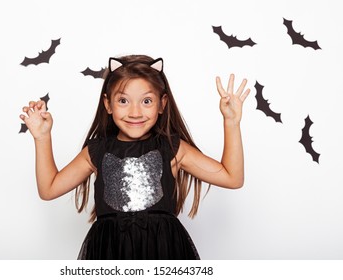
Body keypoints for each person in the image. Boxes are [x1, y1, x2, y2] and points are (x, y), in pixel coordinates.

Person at [19, 54, 250, 259]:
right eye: (123, 101)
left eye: (147, 101)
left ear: (162, 104)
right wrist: (42, 138)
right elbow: (49, 189)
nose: (135, 112)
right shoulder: (96, 151)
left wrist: (231, 122)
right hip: (110, 253)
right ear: (108, 104)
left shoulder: (172, 148)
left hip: (163, 251)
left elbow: (232, 178)